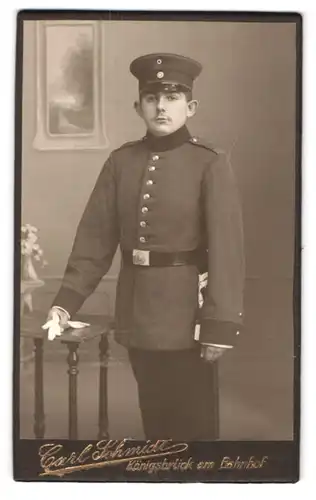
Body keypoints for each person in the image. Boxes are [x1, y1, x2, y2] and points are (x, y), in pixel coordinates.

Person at [46, 53, 245, 441]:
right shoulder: (121, 162)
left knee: (193, 423)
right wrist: (64, 302)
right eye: (152, 98)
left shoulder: (210, 163)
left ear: (190, 107)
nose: (161, 106)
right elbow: (95, 239)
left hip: (189, 315)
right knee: (154, 418)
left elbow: (228, 250)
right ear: (139, 106)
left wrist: (219, 326)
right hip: (138, 311)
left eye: (172, 97)